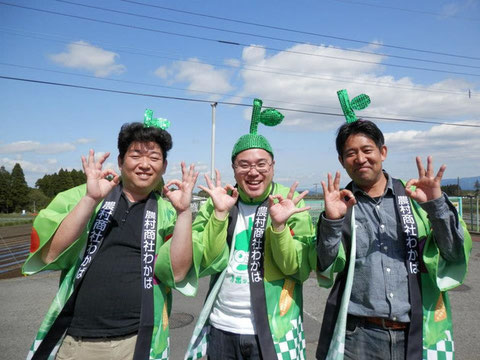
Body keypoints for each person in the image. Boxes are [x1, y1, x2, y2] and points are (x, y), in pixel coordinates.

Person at [22, 111, 199, 360]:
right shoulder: (86, 195)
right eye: (136, 155)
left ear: (164, 166)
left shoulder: (169, 211)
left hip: (139, 341)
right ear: (120, 160)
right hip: (76, 340)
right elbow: (51, 254)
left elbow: (178, 271)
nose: (145, 164)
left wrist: (183, 213)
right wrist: (90, 199)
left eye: (154, 157)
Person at [315, 118, 471, 360]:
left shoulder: (415, 199)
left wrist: (436, 206)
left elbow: (453, 253)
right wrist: (332, 221)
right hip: (357, 335)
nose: (360, 159)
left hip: (418, 331)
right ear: (341, 161)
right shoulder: (341, 205)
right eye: (350, 153)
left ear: (383, 152)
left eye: (367, 150)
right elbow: (325, 265)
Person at [184, 99, 316, 360]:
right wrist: (220, 214)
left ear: (272, 166)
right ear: (234, 168)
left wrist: (279, 226)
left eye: (261, 164)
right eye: (244, 165)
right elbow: (206, 261)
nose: (253, 172)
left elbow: (297, 269)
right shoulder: (220, 201)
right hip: (222, 327)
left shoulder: (289, 204)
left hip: (276, 328)